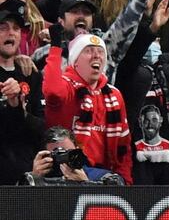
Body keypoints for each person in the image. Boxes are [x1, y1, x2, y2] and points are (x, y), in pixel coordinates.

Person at [41, 32, 133, 183]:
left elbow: (123, 148)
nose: (96, 56)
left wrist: (126, 182)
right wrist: (55, 48)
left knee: (116, 181)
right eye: (89, 50)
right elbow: (52, 91)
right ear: (75, 61)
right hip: (63, 173)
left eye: (100, 51)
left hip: (102, 175)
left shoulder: (114, 95)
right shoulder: (67, 87)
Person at [0, 0, 44, 185]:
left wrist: (19, 109)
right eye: (3, 27)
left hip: (28, 171)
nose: (11, 33)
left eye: (16, 28)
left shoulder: (30, 74)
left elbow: (42, 126)